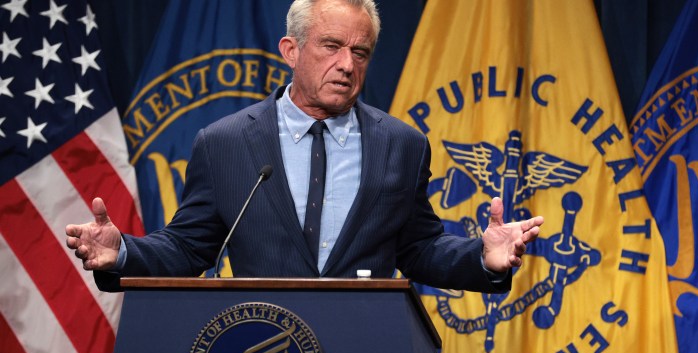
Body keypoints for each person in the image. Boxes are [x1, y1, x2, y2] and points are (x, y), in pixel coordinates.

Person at [65, 0, 544, 293]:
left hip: (367, 352)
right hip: (260, 348)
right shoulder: (225, 143)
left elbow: (418, 248)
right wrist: (122, 252)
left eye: (359, 52)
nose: (346, 64)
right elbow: (190, 248)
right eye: (330, 46)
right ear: (291, 51)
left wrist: (481, 259)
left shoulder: (403, 145)